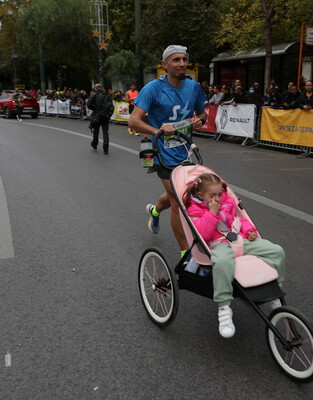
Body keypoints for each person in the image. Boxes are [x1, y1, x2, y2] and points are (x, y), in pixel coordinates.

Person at [184, 173, 285, 338]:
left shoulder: (227, 201)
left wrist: (248, 230)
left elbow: (238, 219)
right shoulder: (194, 209)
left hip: (240, 238)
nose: (217, 198)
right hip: (218, 243)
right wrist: (212, 213)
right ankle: (224, 308)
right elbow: (203, 234)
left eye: (219, 194)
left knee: (277, 251)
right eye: (212, 195)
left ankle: (275, 291)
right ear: (201, 195)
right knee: (223, 263)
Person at [128, 45, 207, 255]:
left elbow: (203, 113)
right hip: (162, 152)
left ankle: (154, 211)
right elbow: (134, 120)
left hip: (186, 151)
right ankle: (186, 255)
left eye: (184, 59)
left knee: (175, 194)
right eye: (176, 60)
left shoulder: (194, 87)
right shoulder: (152, 89)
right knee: (179, 201)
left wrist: (199, 120)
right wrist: (158, 130)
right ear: (165, 65)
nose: (182, 64)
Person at [86, 83, 114, 154]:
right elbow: (111, 106)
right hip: (105, 116)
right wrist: (109, 115)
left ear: (95, 89)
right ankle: (106, 148)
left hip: (97, 115)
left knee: (96, 131)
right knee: (105, 132)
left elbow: (88, 104)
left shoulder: (95, 95)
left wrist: (94, 108)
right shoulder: (107, 95)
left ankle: (95, 144)